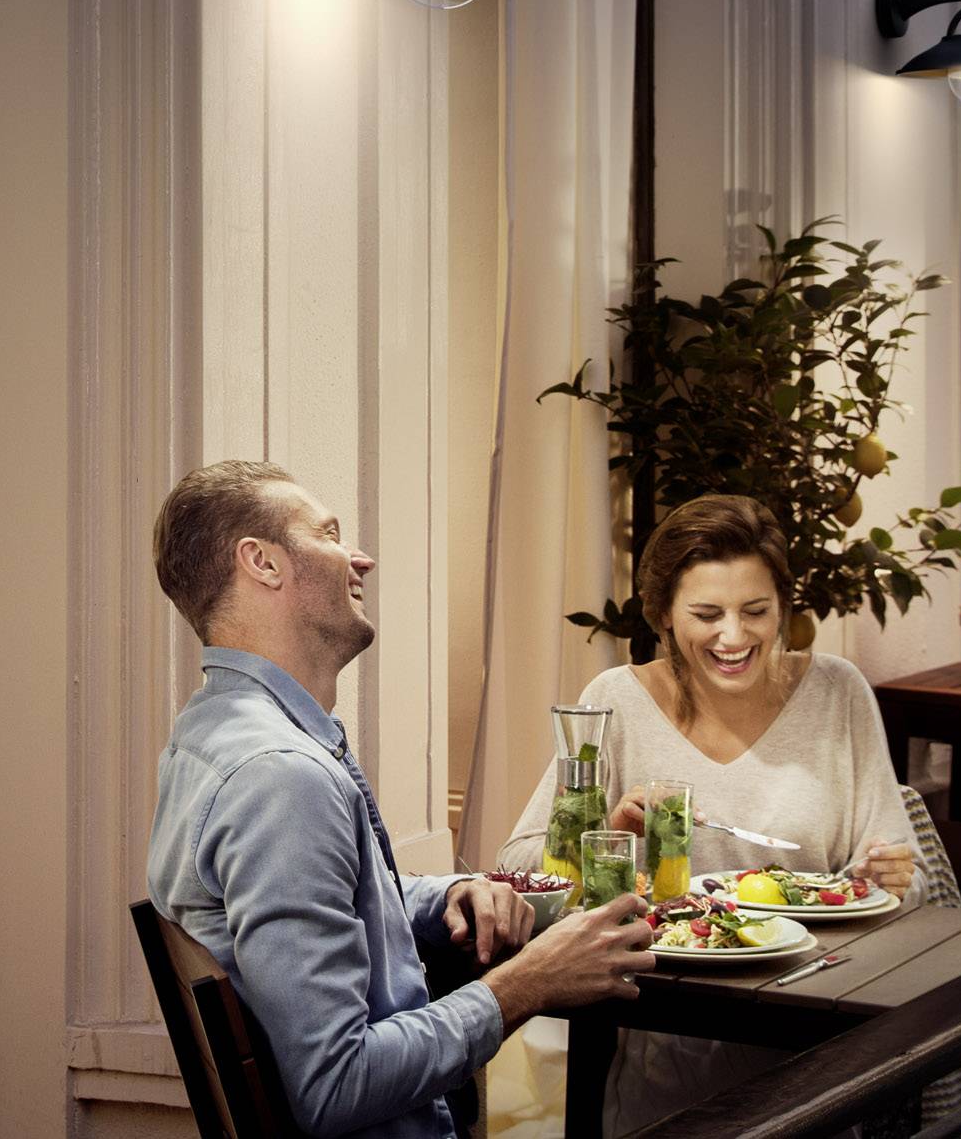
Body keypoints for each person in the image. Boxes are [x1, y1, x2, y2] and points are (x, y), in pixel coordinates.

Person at [148, 459, 654, 1139]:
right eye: (329, 534)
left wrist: (446, 894)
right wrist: (528, 982)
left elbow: (328, 897)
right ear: (261, 562)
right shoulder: (281, 776)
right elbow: (334, 1086)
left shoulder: (211, 729)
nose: (361, 556)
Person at [494, 494, 922, 1130]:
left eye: (756, 611)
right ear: (664, 614)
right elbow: (521, 868)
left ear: (783, 606)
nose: (733, 636)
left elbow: (903, 884)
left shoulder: (838, 693)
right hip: (663, 1039)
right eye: (706, 613)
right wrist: (607, 835)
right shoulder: (614, 701)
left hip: (815, 1036)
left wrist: (886, 874)